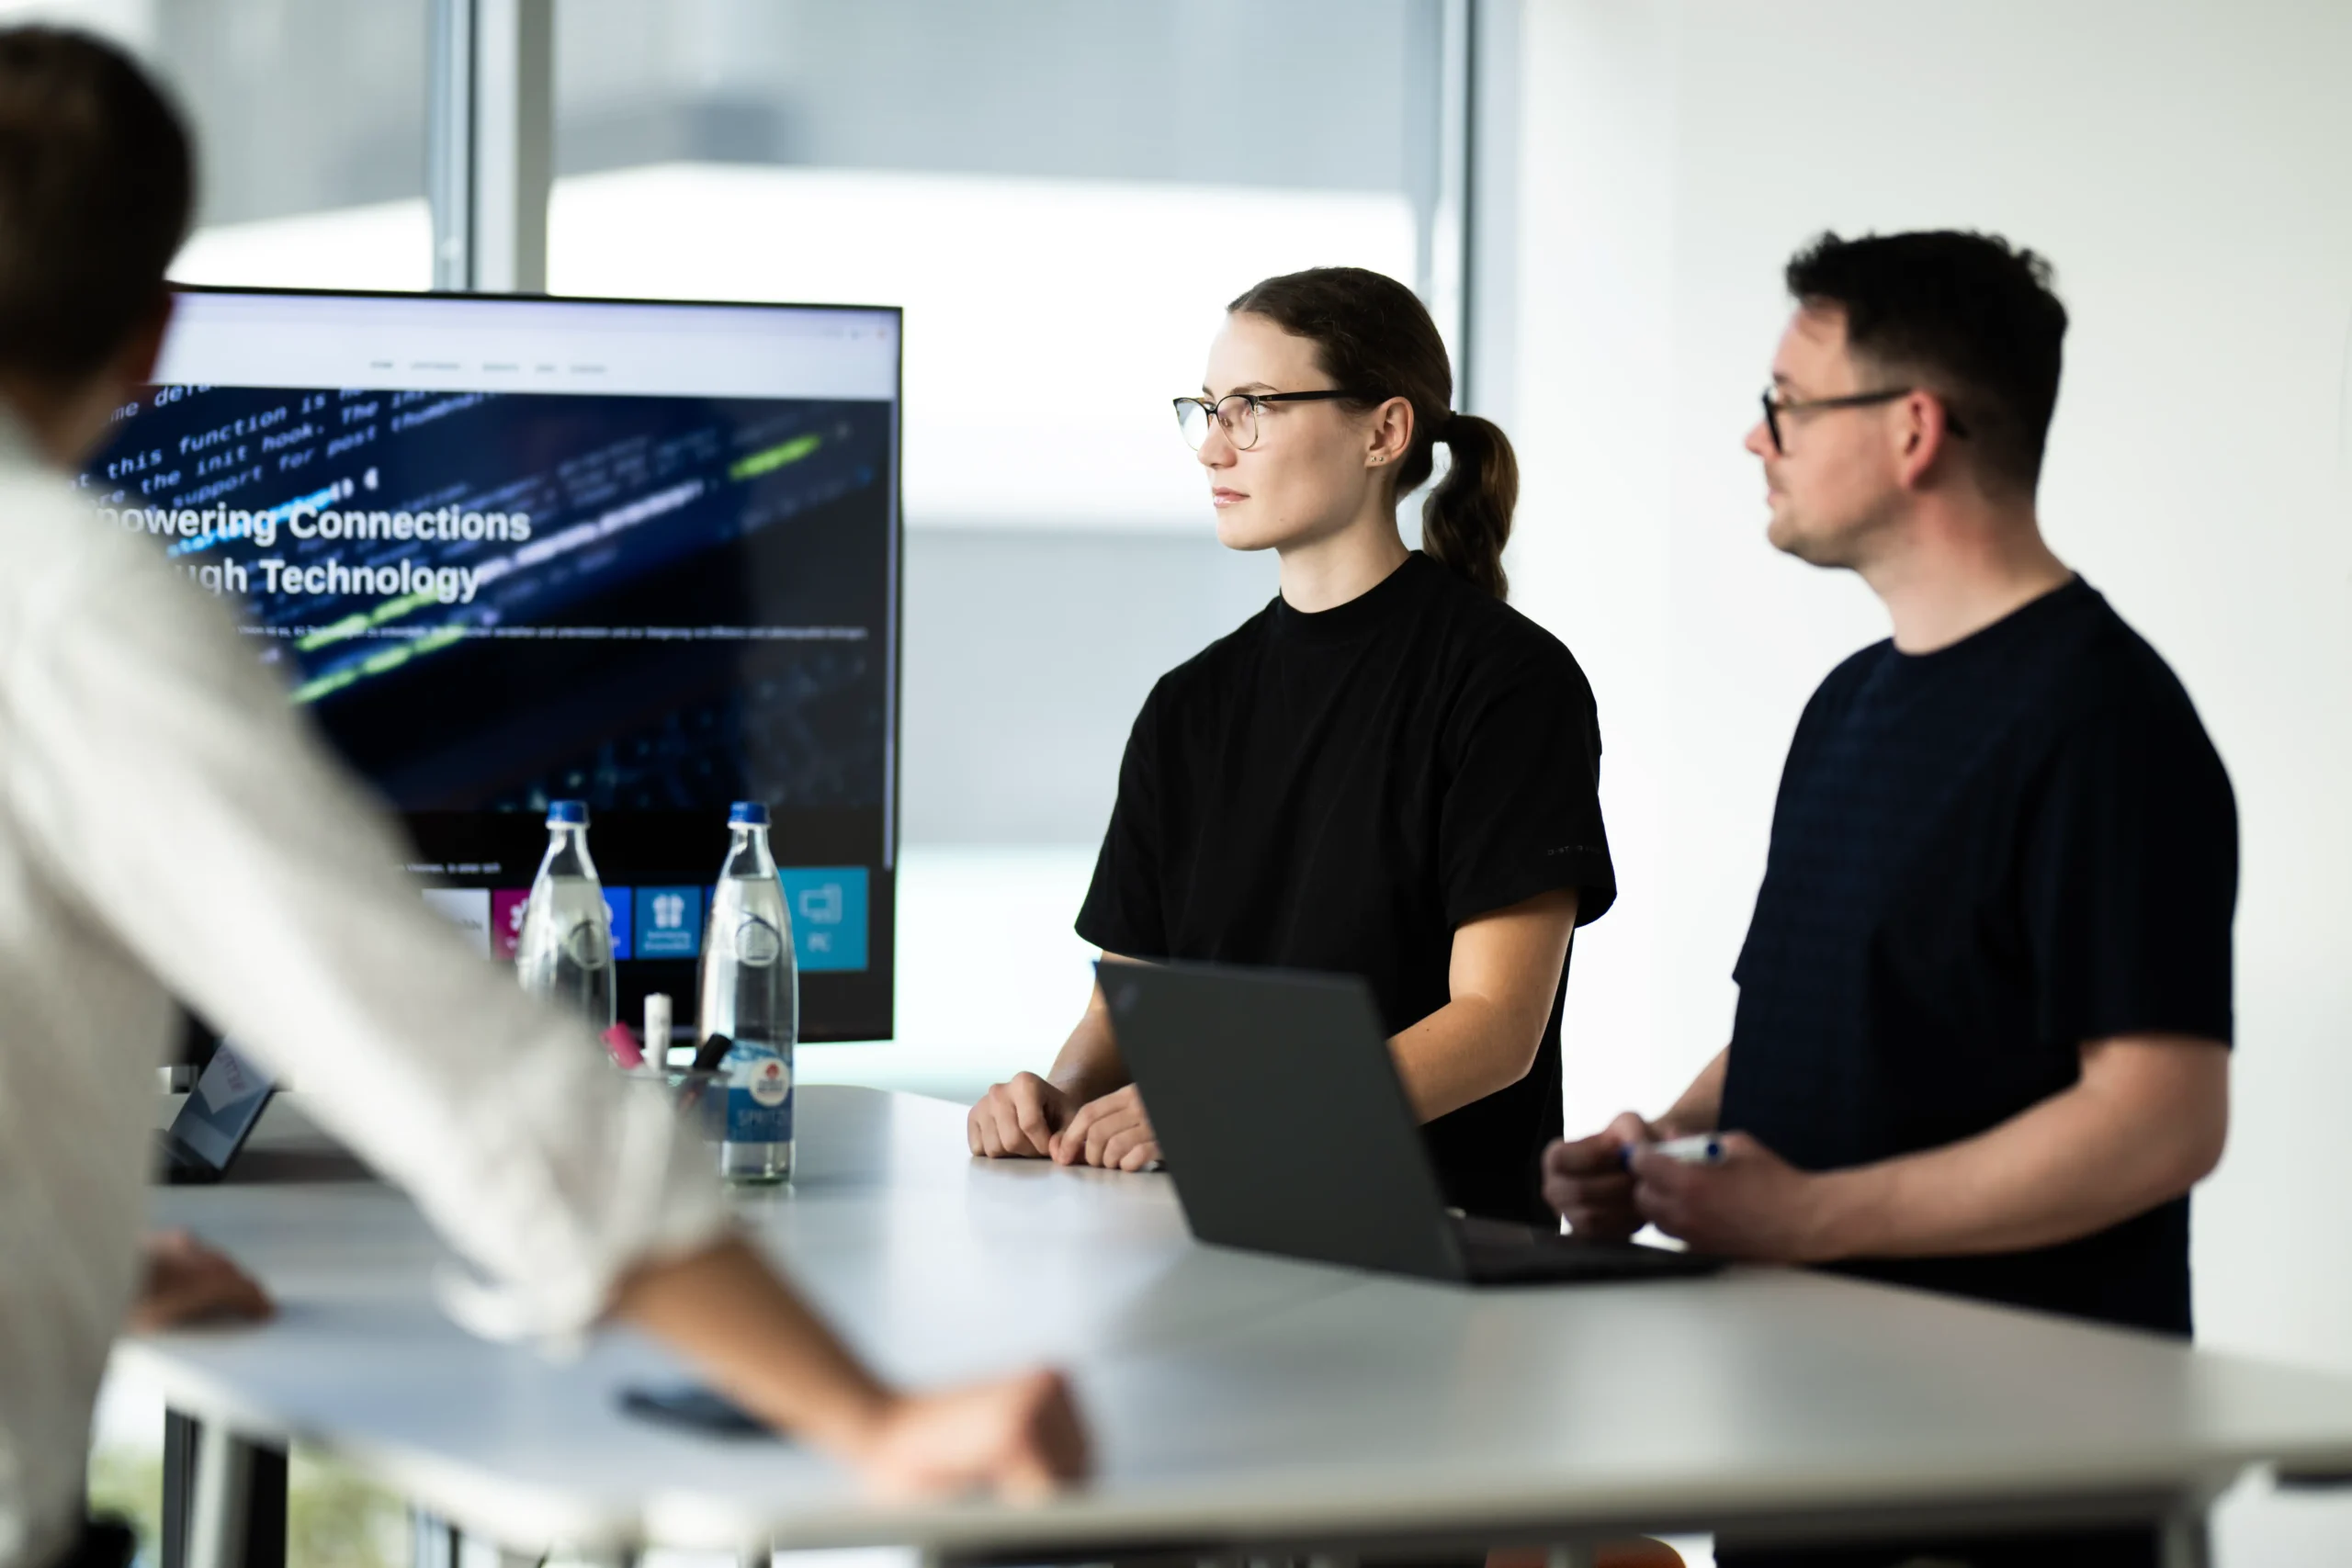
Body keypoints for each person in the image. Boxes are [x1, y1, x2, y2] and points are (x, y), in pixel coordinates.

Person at [0, 30, 1083, 1568]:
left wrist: (63, 1261)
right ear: (150, 332)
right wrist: (870, 1419)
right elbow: (470, 1069)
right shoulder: (64, 599)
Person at [1543, 231, 2234, 1568]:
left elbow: (2160, 1118)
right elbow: (1816, 1016)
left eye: (1787, 405)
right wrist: (1664, 1148)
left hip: (2008, 1483)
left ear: (1915, 428)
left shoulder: (2105, 721)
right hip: (1805, 1441)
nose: (1759, 441)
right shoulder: (1847, 704)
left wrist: (1802, 1215)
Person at [967, 266, 1618, 1226]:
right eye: (1207, 409)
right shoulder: (1186, 706)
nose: (1214, 447)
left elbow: (1493, 1029)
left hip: (1435, 1253)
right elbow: (1128, 1006)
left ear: (1384, 432)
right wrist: (1055, 1101)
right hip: (1196, 1241)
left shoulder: (1507, 683)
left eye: (1254, 407)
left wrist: (1227, 1113)